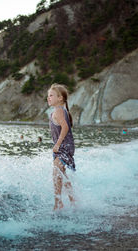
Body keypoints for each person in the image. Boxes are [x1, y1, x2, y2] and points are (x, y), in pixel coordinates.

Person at [47, 83, 76, 211]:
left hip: (63, 146)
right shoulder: (58, 111)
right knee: (61, 174)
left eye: (51, 95)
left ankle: (58, 203)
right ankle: (73, 199)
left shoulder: (59, 111)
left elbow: (64, 128)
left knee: (56, 172)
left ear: (60, 98)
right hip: (63, 146)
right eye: (48, 96)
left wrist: (58, 144)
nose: (48, 98)